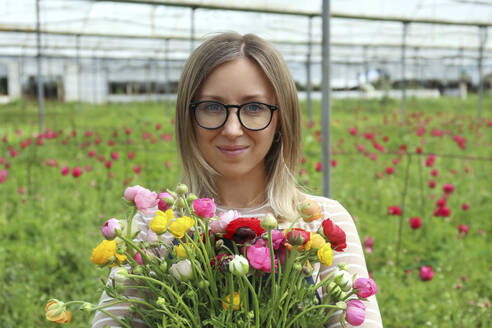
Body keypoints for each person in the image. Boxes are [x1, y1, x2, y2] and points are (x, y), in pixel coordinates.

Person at [92, 32, 383, 328]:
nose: (232, 129)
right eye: (212, 107)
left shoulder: (321, 222)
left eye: (254, 108)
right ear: (187, 118)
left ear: (282, 118)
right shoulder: (152, 231)